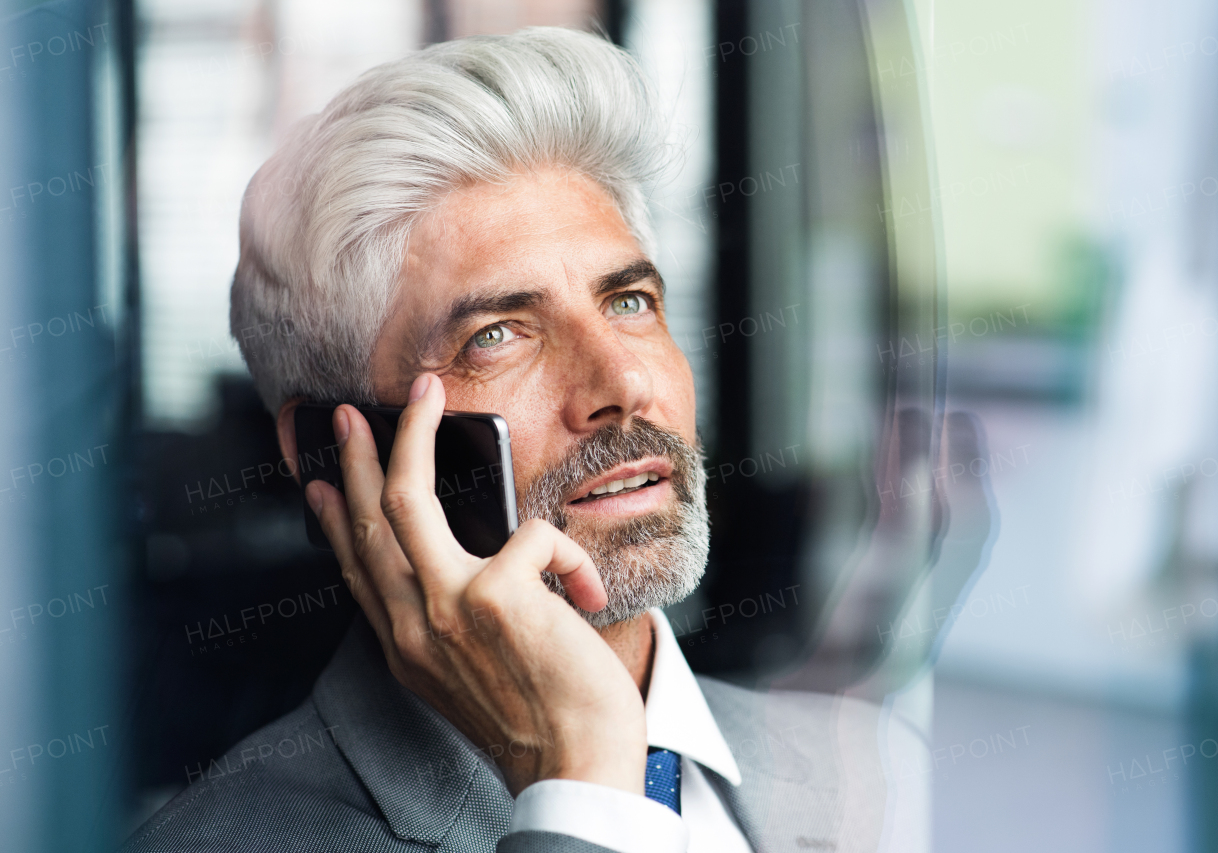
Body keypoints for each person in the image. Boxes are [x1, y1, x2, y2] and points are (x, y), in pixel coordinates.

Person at [124, 27, 926, 853]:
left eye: (629, 303)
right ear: (338, 447)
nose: (622, 387)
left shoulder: (879, 772)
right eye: (499, 333)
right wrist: (580, 783)